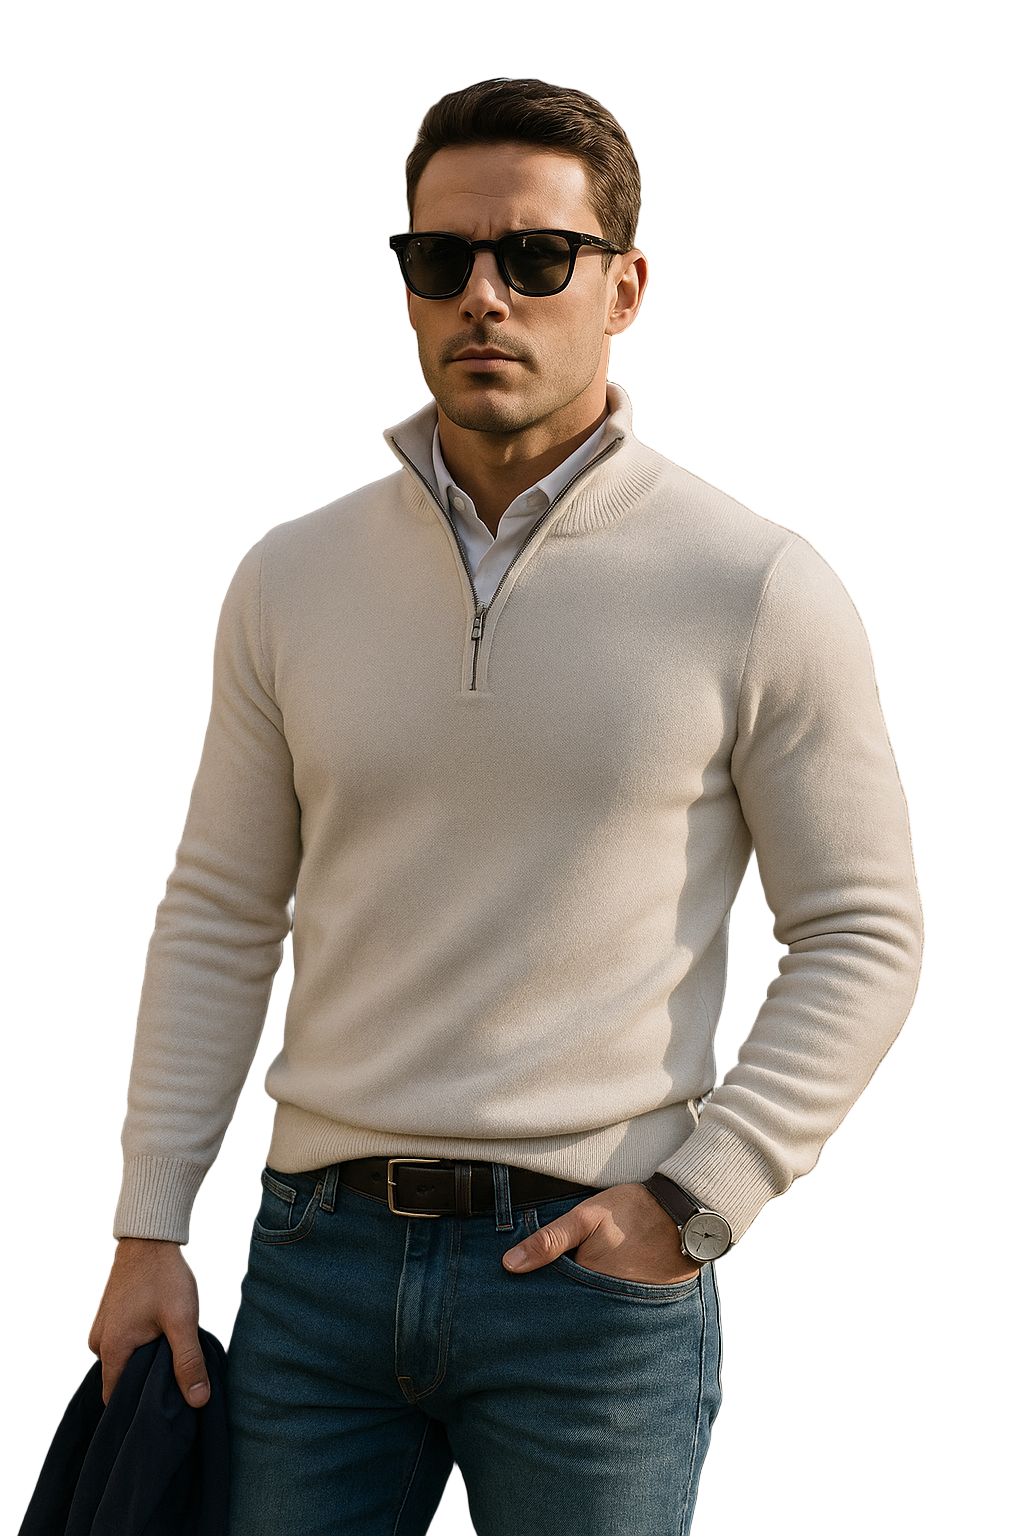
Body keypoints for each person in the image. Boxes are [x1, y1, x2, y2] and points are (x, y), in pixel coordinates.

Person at [88, 77, 923, 1535]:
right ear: (408, 281)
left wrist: (701, 1197)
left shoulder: (753, 586)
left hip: (593, 1287)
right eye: (443, 257)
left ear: (625, 287)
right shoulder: (290, 579)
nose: (485, 294)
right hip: (315, 1271)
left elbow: (863, 929)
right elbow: (220, 913)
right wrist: (147, 1227)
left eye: (538, 258)